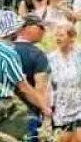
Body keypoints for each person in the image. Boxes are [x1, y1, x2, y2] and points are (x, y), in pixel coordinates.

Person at [0, 12, 51, 141]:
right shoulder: (9, 53)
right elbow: (23, 87)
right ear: (14, 31)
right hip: (4, 113)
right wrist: (44, 107)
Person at [12, 14, 53, 142]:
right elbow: (41, 88)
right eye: (40, 27)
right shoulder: (37, 54)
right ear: (27, 28)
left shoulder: (5, 49)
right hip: (28, 113)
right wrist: (46, 110)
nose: (43, 31)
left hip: (3, 114)